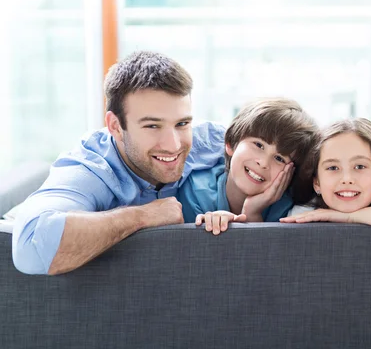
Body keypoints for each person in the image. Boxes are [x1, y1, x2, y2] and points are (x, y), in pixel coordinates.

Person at [12, 51, 225, 275]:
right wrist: (144, 215)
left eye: (182, 123)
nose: (173, 145)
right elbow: (30, 247)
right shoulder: (90, 168)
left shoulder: (212, 141)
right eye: (152, 126)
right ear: (115, 126)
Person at [178, 98, 319, 235]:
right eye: (259, 145)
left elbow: (262, 257)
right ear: (231, 143)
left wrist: (252, 213)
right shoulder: (195, 192)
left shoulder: (289, 211)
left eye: (279, 158)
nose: (263, 163)